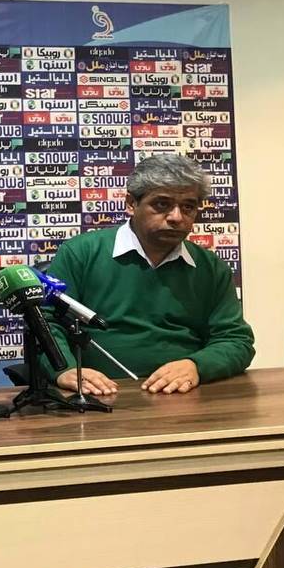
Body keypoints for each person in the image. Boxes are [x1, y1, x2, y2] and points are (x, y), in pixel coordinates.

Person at [36, 153, 254, 396]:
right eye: (162, 204)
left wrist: (196, 366)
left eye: (188, 207)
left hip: (184, 394)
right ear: (131, 203)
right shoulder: (81, 253)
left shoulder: (210, 267)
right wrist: (64, 370)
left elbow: (236, 340)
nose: (176, 217)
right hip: (98, 394)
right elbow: (45, 323)